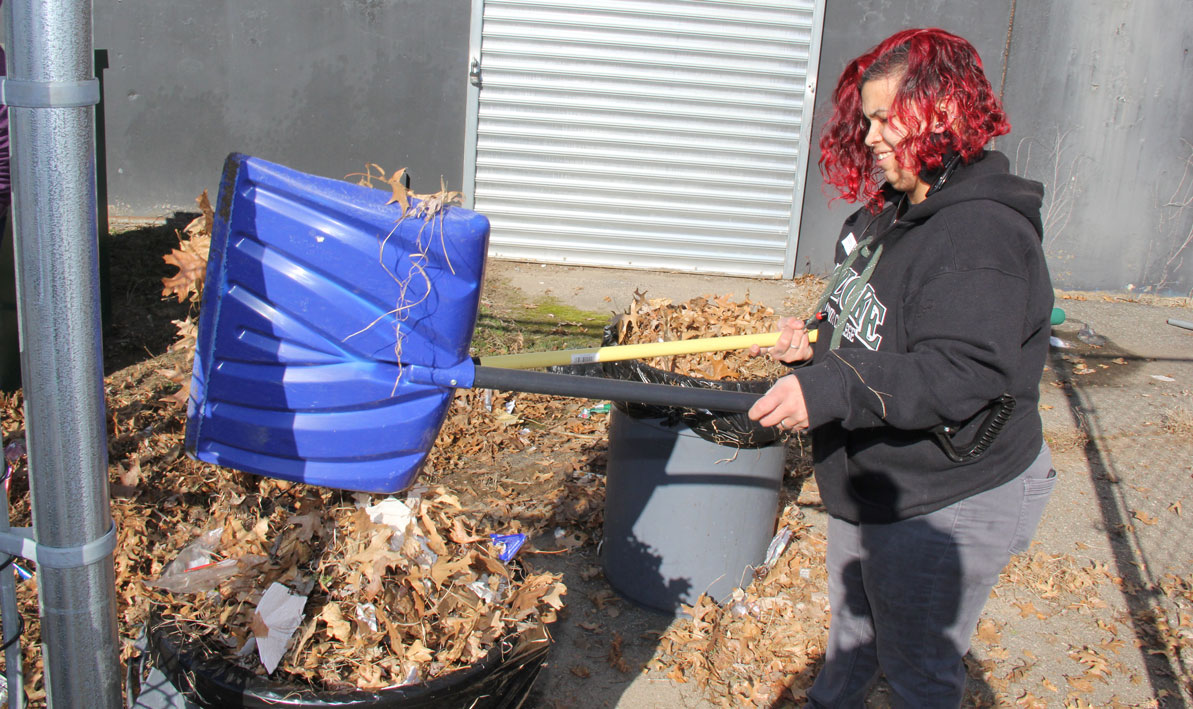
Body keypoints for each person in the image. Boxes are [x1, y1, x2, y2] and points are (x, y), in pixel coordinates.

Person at [747, 28, 1056, 707]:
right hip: (878, 474)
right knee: (852, 638)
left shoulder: (981, 235)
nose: (874, 135)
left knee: (918, 670)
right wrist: (818, 342)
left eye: (888, 118)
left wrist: (830, 385)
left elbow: (959, 370)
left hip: (948, 493)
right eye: (868, 120)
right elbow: (873, 315)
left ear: (944, 112)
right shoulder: (895, 209)